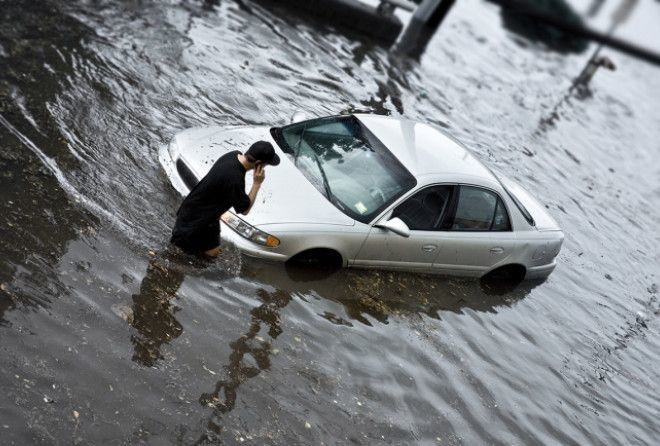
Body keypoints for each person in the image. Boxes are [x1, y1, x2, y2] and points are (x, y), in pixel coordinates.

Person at [170, 140, 280, 258]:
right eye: (266, 164)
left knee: (212, 254)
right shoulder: (235, 178)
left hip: (207, 217)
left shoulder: (233, 155)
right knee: (176, 256)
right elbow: (245, 210)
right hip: (194, 221)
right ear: (258, 163)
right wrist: (257, 183)